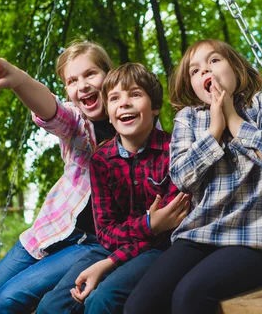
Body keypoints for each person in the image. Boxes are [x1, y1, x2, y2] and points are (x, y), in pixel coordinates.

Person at [126, 39, 262, 314]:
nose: (205, 71)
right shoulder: (188, 119)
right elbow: (181, 177)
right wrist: (215, 129)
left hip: (252, 239)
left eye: (214, 61)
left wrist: (231, 117)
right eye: (195, 70)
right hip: (199, 235)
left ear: (236, 67)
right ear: (190, 84)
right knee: (139, 305)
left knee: (189, 297)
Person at [0, 41, 116, 314]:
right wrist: (19, 80)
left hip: (90, 243)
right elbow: (52, 110)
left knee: (8, 300)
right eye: (72, 80)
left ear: (109, 74)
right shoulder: (77, 123)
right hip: (48, 233)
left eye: (91, 74)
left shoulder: (133, 120)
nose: (83, 85)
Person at [37, 63, 189, 314]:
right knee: (52, 305)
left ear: (155, 108)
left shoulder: (174, 151)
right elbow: (107, 232)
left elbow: (168, 230)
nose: (124, 103)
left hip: (158, 251)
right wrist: (149, 224)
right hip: (110, 248)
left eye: (135, 95)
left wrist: (109, 263)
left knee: (102, 300)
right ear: (108, 112)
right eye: (115, 98)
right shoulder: (101, 161)